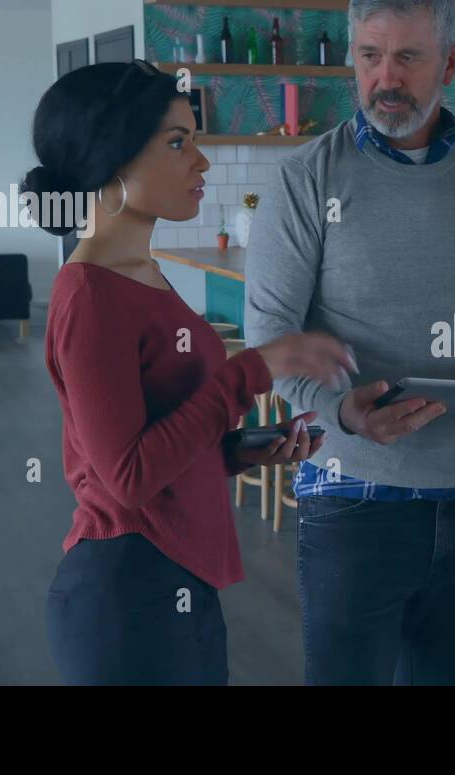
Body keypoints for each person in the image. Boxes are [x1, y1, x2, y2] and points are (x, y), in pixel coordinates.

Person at [245, 0, 455, 685]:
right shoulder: (306, 179)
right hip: (349, 498)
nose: (385, 77)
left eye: (408, 58)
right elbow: (271, 335)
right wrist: (340, 413)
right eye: (369, 56)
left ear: (450, 64)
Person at [27, 61, 355, 685]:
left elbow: (158, 445)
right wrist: (251, 370)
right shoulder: (90, 295)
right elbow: (126, 479)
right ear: (111, 159)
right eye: (178, 143)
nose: (201, 162)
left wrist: (241, 451)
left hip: (176, 578)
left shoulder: (141, 274)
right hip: (127, 593)